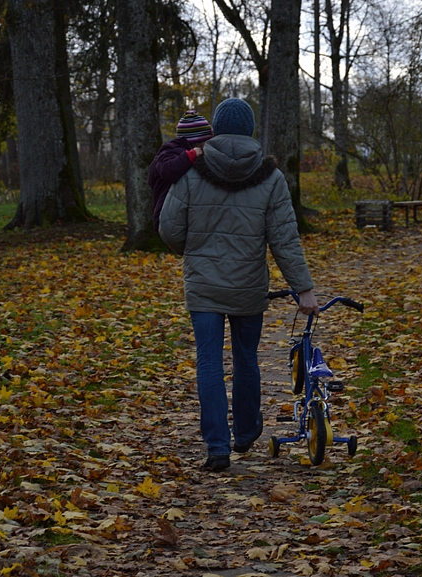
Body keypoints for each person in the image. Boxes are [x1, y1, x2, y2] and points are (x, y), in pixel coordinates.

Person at [159, 97, 319, 472]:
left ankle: (217, 446)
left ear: (216, 130)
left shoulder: (191, 171)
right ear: (250, 130)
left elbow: (168, 228)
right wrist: (304, 288)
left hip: (203, 287)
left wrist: (189, 249)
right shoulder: (271, 177)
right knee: (247, 359)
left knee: (209, 362)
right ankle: (245, 433)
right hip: (248, 285)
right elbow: (284, 239)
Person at [148, 110, 214, 232]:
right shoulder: (171, 152)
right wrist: (190, 156)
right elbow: (168, 170)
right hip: (167, 215)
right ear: (197, 142)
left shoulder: (176, 152)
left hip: (176, 215)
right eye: (207, 141)